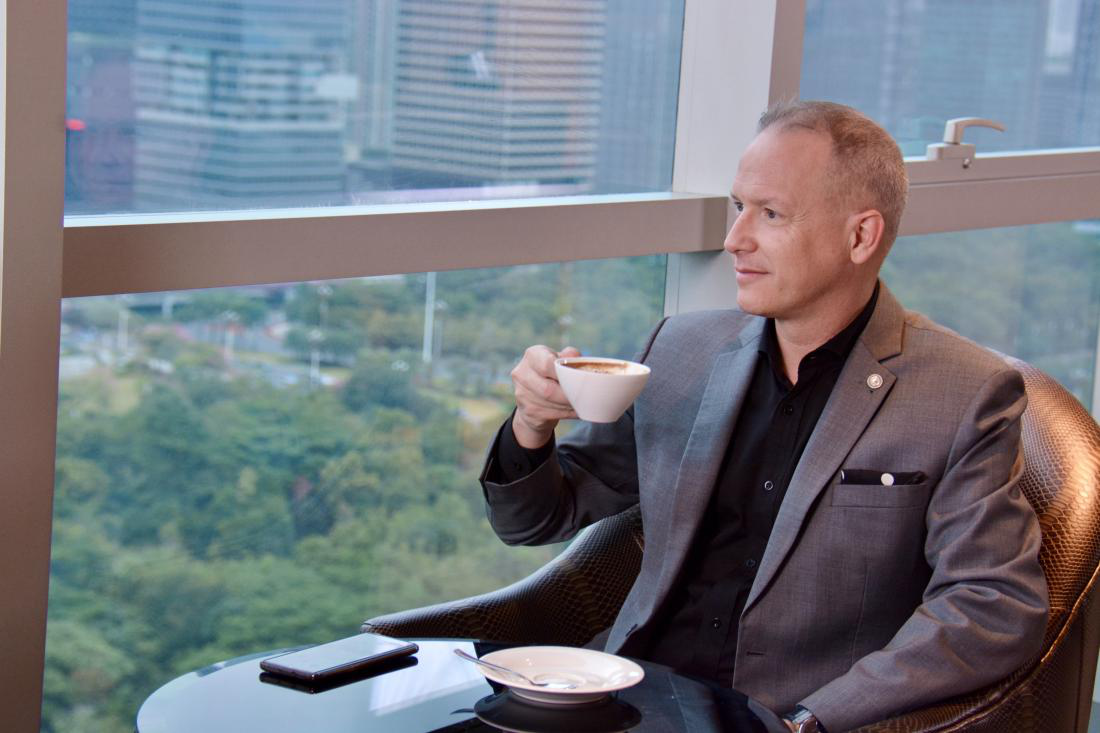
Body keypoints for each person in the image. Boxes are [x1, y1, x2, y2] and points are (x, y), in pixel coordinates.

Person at [479, 101, 1048, 732]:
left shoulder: (964, 393)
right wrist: (533, 424)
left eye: (770, 214)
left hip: (786, 717)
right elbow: (537, 519)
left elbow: (993, 604)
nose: (734, 239)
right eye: (738, 207)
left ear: (861, 236)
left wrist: (813, 720)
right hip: (625, 700)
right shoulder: (680, 349)